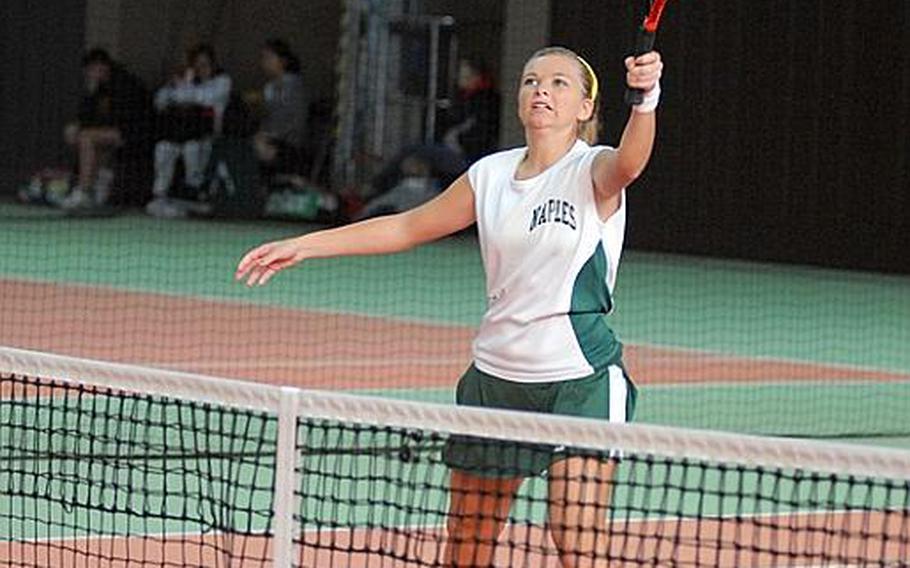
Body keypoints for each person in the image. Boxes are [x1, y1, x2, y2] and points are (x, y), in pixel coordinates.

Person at [236, 45, 663, 567]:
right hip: (493, 380)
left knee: (575, 541)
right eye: (531, 81)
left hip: (581, 380)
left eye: (557, 83)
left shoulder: (592, 170)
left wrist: (645, 101)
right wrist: (305, 245)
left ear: (584, 108)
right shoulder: (490, 176)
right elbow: (406, 226)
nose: (541, 91)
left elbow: (631, 162)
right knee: (466, 550)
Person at [360, 57, 500, 219]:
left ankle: (374, 188)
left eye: (464, 74)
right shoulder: (465, 98)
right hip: (454, 151)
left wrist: (458, 142)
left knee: (413, 150)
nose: (459, 78)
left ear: (476, 76)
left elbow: (476, 133)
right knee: (417, 154)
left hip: (468, 156)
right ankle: (377, 192)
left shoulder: (485, 100)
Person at [147, 44, 232, 217]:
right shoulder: (187, 81)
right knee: (163, 148)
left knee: (192, 148)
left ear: (213, 64)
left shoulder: (222, 81)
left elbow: (204, 99)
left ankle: (196, 192)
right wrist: (176, 85)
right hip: (180, 136)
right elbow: (160, 101)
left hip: (209, 137)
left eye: (205, 64)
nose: (202, 69)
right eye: (197, 65)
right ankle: (160, 196)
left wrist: (184, 89)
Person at [63, 48, 151, 210]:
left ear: (101, 66)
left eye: (91, 70)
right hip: (114, 133)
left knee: (86, 137)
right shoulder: (98, 88)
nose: (88, 74)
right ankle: (98, 189)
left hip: (135, 133)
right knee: (80, 135)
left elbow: (123, 120)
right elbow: (88, 118)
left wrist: (88, 128)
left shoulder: (125, 83)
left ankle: (84, 192)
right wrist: (77, 124)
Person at [253, 39, 307, 180]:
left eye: (269, 58)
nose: (264, 62)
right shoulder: (270, 88)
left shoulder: (293, 86)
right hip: (272, 139)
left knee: (261, 148)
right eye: (263, 58)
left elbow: (295, 121)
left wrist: (271, 134)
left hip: (290, 144)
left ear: (282, 61)